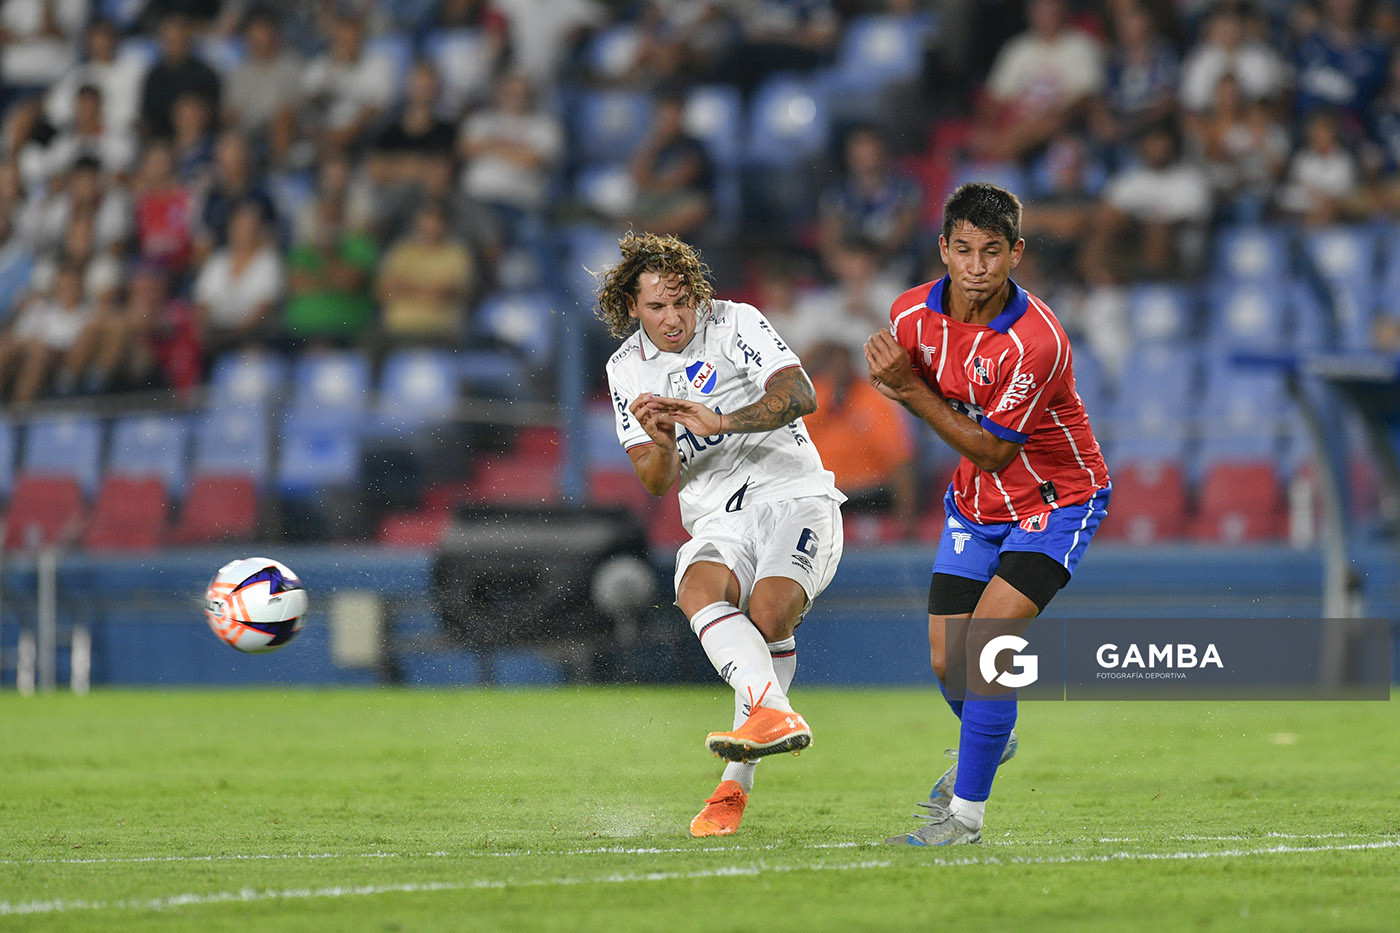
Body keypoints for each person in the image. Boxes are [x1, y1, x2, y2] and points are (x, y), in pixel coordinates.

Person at [865, 182, 1110, 846]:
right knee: (951, 662)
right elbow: (900, 374)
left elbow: (995, 449)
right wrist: (885, 372)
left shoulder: (1037, 341)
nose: (976, 266)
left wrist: (906, 387)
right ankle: (989, 732)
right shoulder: (911, 314)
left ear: (1016, 254)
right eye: (964, 249)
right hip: (976, 505)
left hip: (1057, 500)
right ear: (943, 248)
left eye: (992, 251)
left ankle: (965, 819)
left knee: (988, 649)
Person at [598, 231, 845, 838]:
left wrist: (722, 419)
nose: (673, 317)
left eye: (681, 301)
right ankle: (768, 718)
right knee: (697, 588)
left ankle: (735, 782)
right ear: (631, 306)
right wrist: (658, 435)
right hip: (717, 516)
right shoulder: (624, 368)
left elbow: (800, 393)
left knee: (768, 614)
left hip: (794, 495)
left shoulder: (736, 323)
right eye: (656, 307)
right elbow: (657, 482)